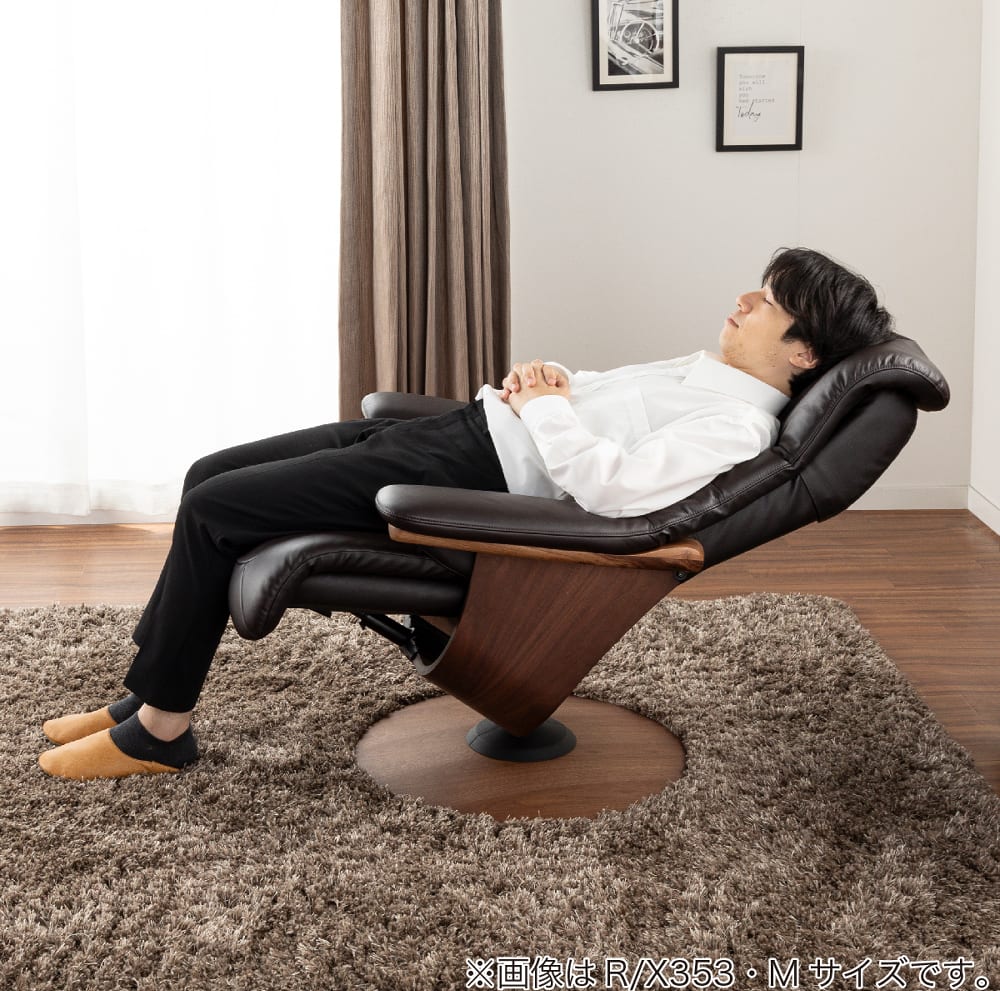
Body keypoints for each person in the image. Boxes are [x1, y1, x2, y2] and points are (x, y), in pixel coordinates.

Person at [39, 247, 894, 780]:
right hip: (465, 428)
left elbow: (614, 494)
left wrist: (545, 406)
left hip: (468, 476)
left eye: (768, 301)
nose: (744, 300)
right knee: (208, 474)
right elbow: (592, 404)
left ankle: (162, 731)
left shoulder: (734, 427)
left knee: (217, 508)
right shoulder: (704, 374)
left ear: (803, 351)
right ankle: (144, 691)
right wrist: (546, 383)